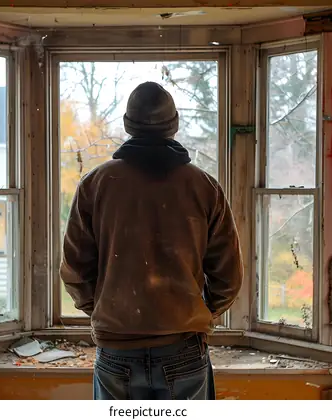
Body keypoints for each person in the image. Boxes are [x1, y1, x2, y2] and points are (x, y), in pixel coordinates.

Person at [60, 81, 243, 400]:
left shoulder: (96, 185)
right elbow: (228, 277)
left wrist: (107, 312)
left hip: (117, 350)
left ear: (128, 125)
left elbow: (75, 271)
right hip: (183, 349)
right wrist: (193, 313)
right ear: (174, 125)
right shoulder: (203, 187)